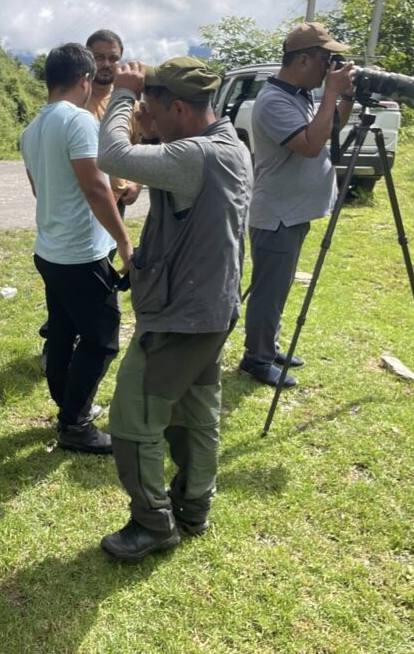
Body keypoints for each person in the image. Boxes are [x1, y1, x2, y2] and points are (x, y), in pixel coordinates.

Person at [97, 56, 252, 561]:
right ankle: (194, 506)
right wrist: (150, 127)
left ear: (181, 106)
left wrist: (120, 94)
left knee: (133, 417)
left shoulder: (192, 157)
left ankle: (152, 523)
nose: (149, 118)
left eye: (155, 109)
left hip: (181, 315)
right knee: (196, 410)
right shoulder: (230, 145)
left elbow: (111, 155)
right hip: (212, 307)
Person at [20, 43, 133, 454]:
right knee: (102, 338)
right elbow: (96, 187)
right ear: (85, 80)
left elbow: (39, 189)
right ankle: (75, 424)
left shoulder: (31, 129)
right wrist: (123, 241)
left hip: (51, 251)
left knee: (65, 333)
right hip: (81, 254)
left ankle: (69, 404)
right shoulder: (79, 121)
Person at [237, 22, 356, 388]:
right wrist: (331, 93)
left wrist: (345, 97)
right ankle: (255, 360)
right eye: (327, 59)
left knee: (279, 286)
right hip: (277, 215)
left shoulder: (300, 94)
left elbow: (331, 126)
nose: (331, 67)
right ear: (303, 60)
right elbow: (310, 145)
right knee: (268, 291)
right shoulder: (273, 101)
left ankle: (268, 346)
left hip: (293, 212)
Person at [84, 29, 143, 211]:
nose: (106, 64)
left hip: (116, 202)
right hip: (80, 199)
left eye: (113, 59)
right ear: (87, 58)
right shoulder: (75, 101)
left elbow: (141, 147)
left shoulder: (130, 105)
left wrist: (137, 182)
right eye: (99, 57)